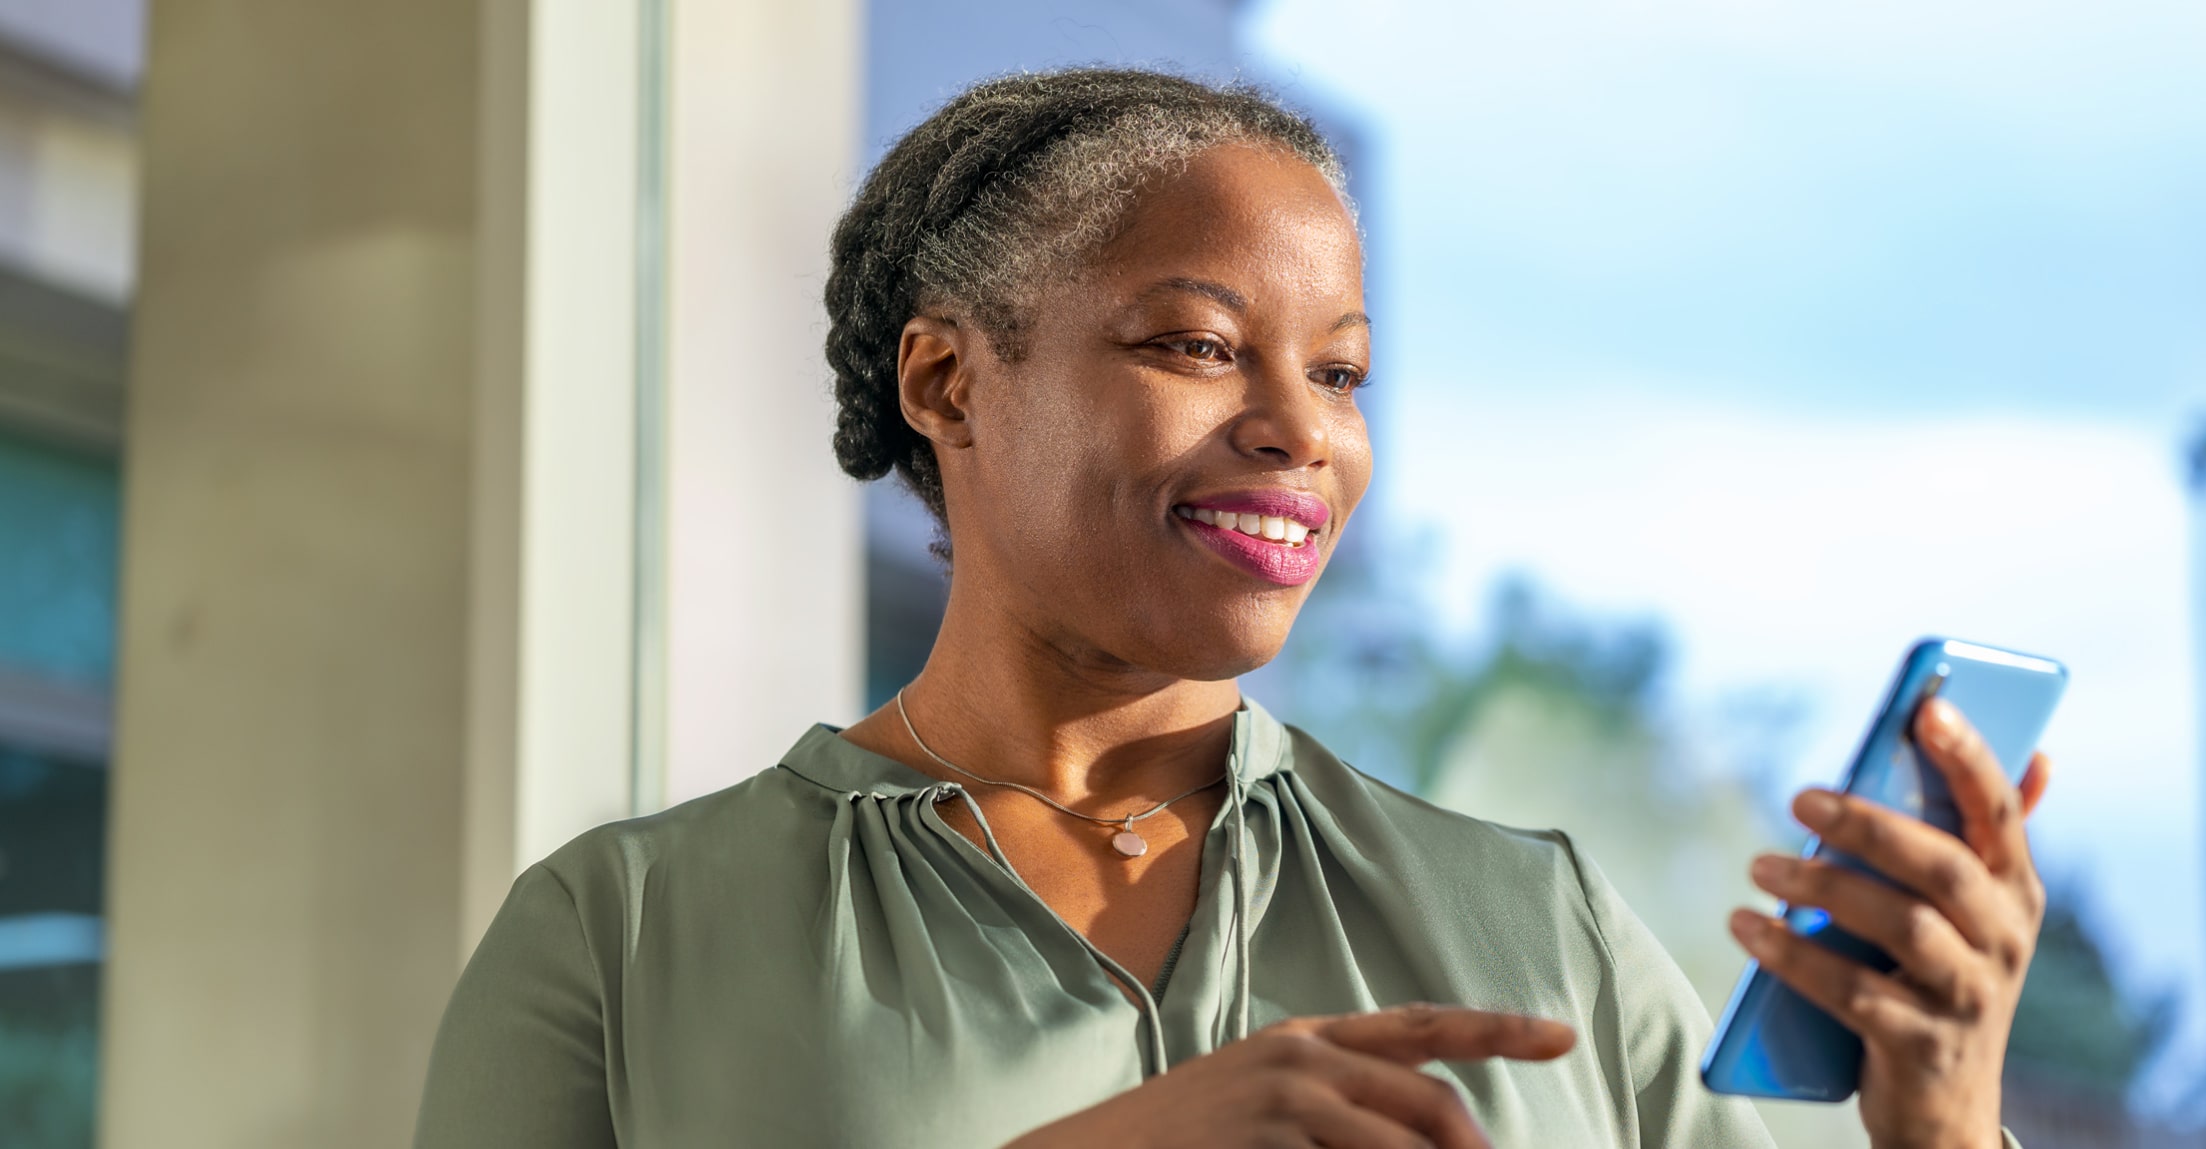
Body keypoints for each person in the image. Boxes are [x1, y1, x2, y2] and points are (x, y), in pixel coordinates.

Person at [415, 69, 2053, 1149]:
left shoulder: (1536, 921)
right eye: (1199, 344)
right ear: (947, 377)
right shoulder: (620, 937)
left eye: (1340, 370)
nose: (1301, 428)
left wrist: (1948, 1112)